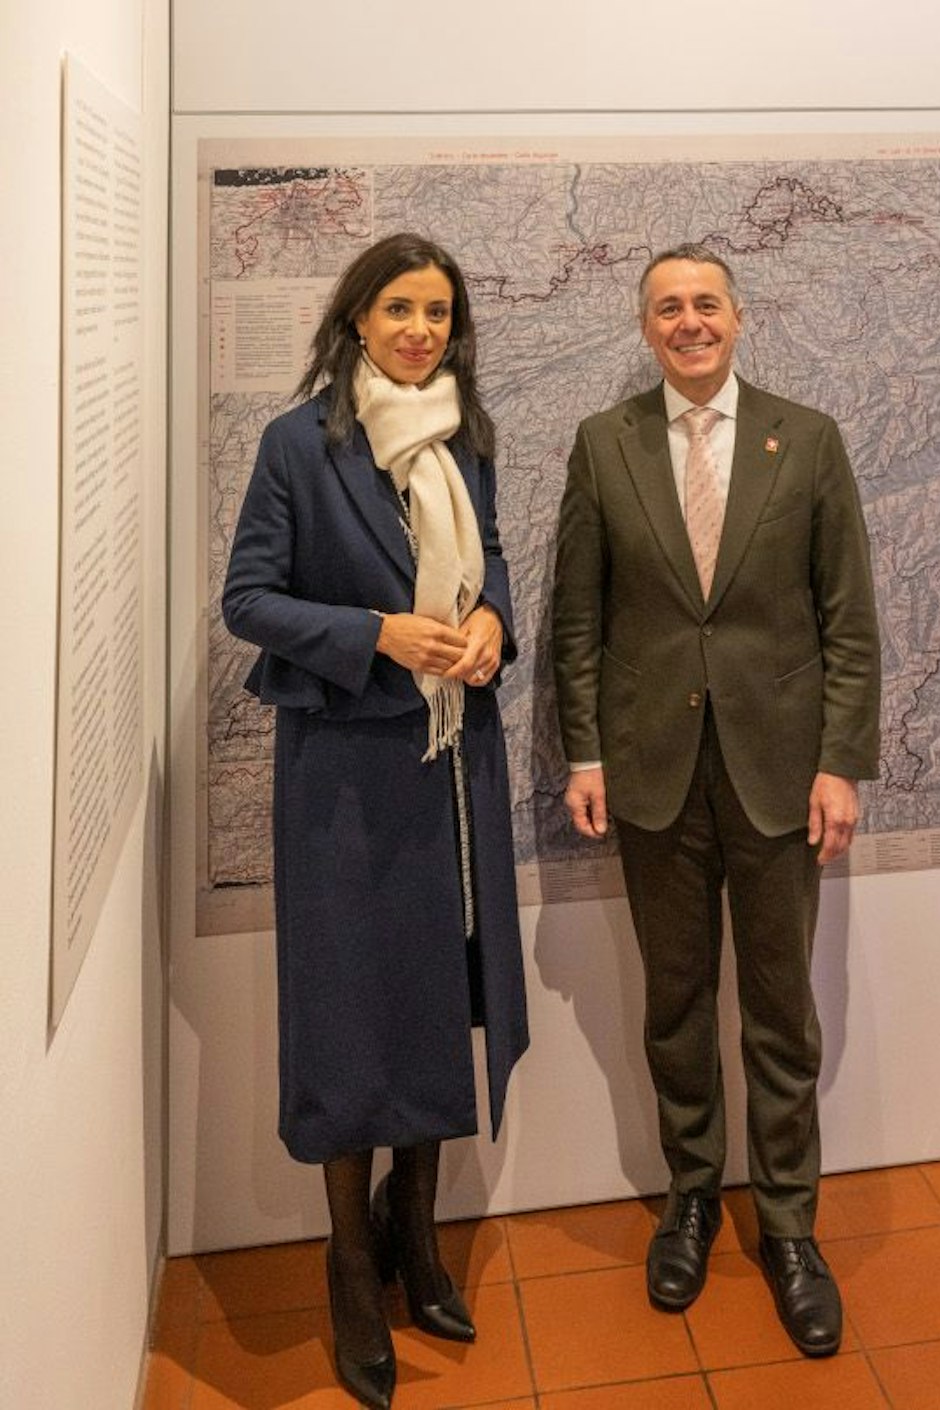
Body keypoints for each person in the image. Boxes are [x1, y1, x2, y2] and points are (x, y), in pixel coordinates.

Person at [552, 243, 880, 1357]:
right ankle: (692, 1198)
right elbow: (576, 621)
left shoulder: (810, 439)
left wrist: (839, 762)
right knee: (677, 1004)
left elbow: (848, 621)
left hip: (782, 779)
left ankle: (789, 1227)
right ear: (644, 329)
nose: (688, 322)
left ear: (738, 319)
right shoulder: (607, 446)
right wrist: (584, 755)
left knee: (781, 1013)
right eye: (666, 308)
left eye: (705, 303)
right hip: (651, 777)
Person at [222, 232, 529, 1409]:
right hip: (347, 781)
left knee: (439, 997)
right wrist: (375, 635)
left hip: (455, 767)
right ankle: (351, 1263)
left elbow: (487, 562)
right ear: (358, 319)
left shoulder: (465, 438)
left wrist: (492, 620)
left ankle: (418, 1236)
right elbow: (248, 599)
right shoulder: (298, 444)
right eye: (398, 308)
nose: (418, 330)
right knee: (355, 1015)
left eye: (438, 312)